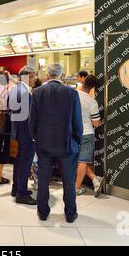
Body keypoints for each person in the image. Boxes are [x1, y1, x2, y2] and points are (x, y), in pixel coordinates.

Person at [29, 64, 83, 223]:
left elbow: (32, 121)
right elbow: (77, 121)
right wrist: (77, 140)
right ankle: (71, 213)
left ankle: (43, 212)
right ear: (62, 75)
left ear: (47, 74)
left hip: (44, 144)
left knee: (43, 180)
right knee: (68, 181)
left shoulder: (37, 92)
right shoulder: (72, 93)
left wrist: (36, 138)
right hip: (67, 144)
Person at [9, 66, 37, 205]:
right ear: (26, 77)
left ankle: (16, 188)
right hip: (26, 132)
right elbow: (29, 117)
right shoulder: (24, 92)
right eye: (33, 76)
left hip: (18, 131)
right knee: (25, 163)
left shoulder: (15, 89)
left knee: (19, 162)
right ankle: (22, 193)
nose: (35, 79)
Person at [76, 74, 103, 197]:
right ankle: (76, 188)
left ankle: (94, 179)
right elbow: (96, 124)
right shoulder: (92, 101)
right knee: (83, 161)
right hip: (86, 133)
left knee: (78, 160)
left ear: (83, 82)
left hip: (72, 133)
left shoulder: (73, 95)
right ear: (92, 88)